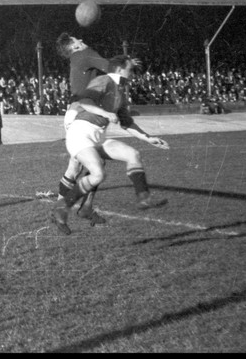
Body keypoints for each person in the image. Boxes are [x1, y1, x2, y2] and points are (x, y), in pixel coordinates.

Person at [51, 55, 170, 235]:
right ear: (120, 69)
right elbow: (85, 102)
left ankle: (144, 199)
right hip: (81, 133)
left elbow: (127, 123)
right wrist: (105, 113)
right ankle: (62, 208)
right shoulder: (104, 80)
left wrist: (148, 138)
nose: (133, 73)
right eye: (130, 69)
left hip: (98, 137)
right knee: (98, 173)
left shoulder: (119, 92)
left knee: (133, 154)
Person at [53, 32, 110, 224]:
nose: (82, 40)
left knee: (75, 166)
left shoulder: (76, 58)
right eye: (78, 40)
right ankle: (84, 208)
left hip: (73, 112)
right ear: (75, 46)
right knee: (97, 164)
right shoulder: (85, 54)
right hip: (83, 113)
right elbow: (110, 67)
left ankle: (62, 210)